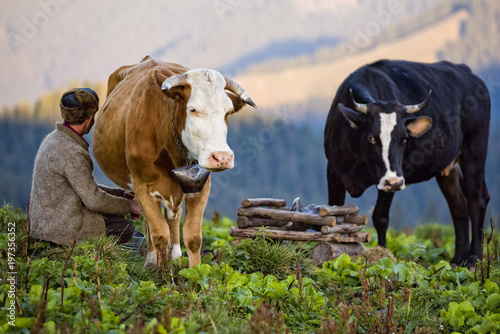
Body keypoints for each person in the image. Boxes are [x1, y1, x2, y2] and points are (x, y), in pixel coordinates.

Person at [29, 88, 141, 245]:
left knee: (114, 215)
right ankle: (86, 256)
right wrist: (129, 206)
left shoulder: (53, 139)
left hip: (44, 224)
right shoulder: (73, 152)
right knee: (124, 227)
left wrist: (121, 195)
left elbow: (86, 187)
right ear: (90, 119)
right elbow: (94, 200)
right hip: (58, 232)